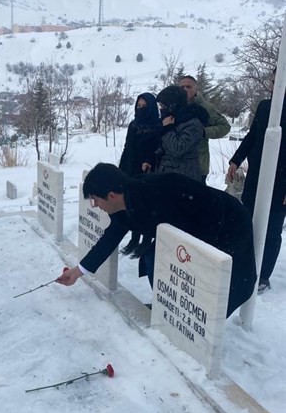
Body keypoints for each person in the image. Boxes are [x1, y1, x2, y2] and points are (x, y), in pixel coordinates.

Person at [57, 163, 257, 318]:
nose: (94, 205)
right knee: (153, 258)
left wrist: (199, 254)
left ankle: (202, 323)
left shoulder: (164, 186)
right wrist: (79, 271)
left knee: (224, 283)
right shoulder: (121, 210)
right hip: (186, 231)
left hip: (227, 224)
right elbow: (109, 239)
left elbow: (212, 207)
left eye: (95, 199)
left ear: (111, 195)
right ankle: (169, 307)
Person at [227, 68, 286, 294]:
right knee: (249, 222)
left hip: (281, 182)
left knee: (271, 231)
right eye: (274, 79)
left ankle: (263, 276)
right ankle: (246, 267)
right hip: (256, 176)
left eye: (279, 79)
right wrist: (236, 160)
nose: (274, 83)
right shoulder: (265, 106)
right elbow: (253, 136)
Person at [118, 92, 161, 259]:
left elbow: (158, 149)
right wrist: (121, 171)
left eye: (144, 106)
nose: (141, 109)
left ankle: (146, 240)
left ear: (151, 107)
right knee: (132, 206)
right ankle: (134, 239)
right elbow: (127, 148)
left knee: (147, 208)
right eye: (139, 106)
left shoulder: (158, 126)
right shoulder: (133, 125)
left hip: (147, 171)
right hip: (130, 169)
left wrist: (149, 161)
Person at [179, 75, 231, 184]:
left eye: (188, 87)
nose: (184, 89)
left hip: (198, 165)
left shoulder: (206, 108)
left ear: (196, 89)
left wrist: (204, 132)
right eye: (182, 87)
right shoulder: (174, 107)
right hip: (176, 165)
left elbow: (225, 127)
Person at [155, 86, 208, 182]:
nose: (162, 109)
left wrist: (167, 129)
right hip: (166, 175)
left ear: (173, 105)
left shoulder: (192, 123)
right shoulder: (171, 120)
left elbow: (178, 148)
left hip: (184, 177)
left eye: (164, 106)